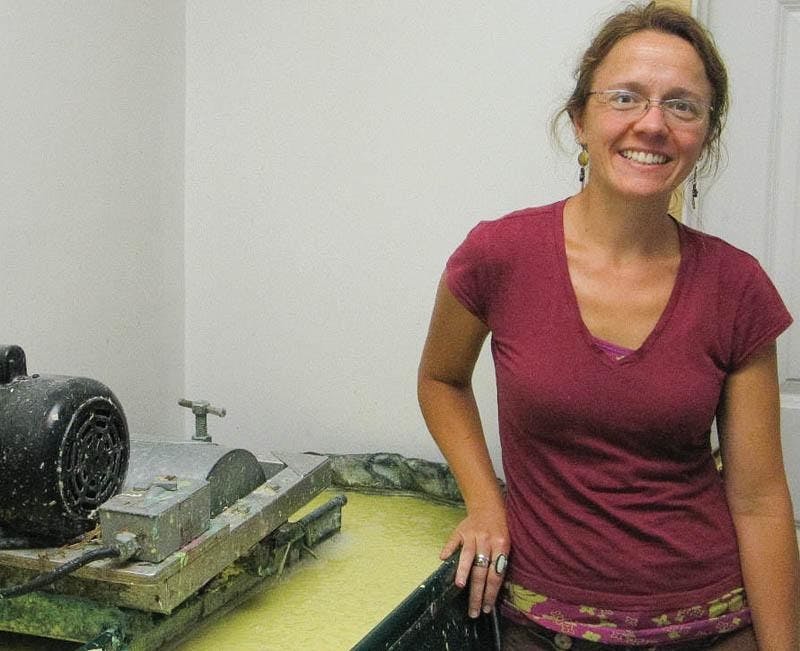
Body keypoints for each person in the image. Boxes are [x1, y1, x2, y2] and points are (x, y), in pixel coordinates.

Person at [417, 3, 800, 649]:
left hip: (711, 620)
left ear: (705, 134)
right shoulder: (499, 256)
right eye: (626, 97)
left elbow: (760, 500)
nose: (652, 124)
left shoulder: (737, 287)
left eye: (683, 106)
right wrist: (486, 500)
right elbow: (440, 377)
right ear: (580, 120)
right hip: (545, 623)